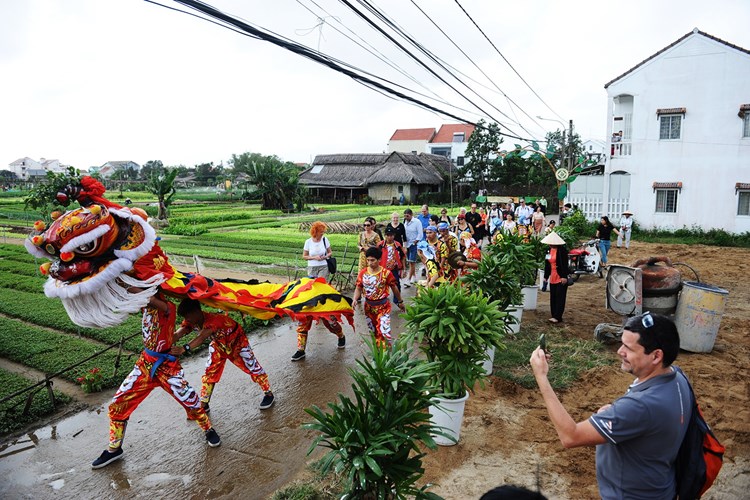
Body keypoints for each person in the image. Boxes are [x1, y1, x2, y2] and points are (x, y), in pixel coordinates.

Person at [530, 313, 692, 499]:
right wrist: (614, 414)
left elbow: (570, 436)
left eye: (629, 348)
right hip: (660, 489)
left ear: (656, 356)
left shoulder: (641, 406)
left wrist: (541, 377)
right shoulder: (677, 377)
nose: (619, 351)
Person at [92, 291, 220, 469]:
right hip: (145, 364)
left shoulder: (167, 307)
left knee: (191, 401)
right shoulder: (145, 306)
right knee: (118, 403)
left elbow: (150, 298)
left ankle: (208, 430)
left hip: (166, 366)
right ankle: (114, 449)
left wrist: (138, 285)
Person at [172, 299, 275, 411]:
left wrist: (184, 348)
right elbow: (178, 334)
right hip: (218, 345)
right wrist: (163, 341)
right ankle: (204, 403)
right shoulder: (191, 322)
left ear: (196, 312)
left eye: (187, 316)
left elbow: (201, 337)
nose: (186, 320)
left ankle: (268, 394)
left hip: (237, 342)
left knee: (252, 365)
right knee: (210, 372)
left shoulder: (214, 321)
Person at [352, 247, 405, 348]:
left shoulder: (386, 273)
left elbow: (394, 288)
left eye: (373, 260)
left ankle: (386, 355)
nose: (370, 263)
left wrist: (400, 301)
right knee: (374, 333)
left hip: (383, 306)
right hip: (369, 307)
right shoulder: (363, 273)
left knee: (384, 332)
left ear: (379, 260)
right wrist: (355, 299)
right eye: (368, 260)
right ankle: (378, 354)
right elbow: (358, 287)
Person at [541, 231, 569, 323]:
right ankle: (553, 315)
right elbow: (547, 264)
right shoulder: (548, 251)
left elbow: (565, 265)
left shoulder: (562, 251)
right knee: (553, 296)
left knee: (560, 296)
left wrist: (564, 276)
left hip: (560, 276)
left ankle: (558, 316)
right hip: (553, 276)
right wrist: (546, 277)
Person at [377, 225, 405, 293]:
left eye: (391, 235)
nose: (389, 237)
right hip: (383, 269)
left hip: (394, 269)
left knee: (396, 284)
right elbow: (376, 257)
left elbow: (402, 256)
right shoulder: (380, 245)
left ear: (394, 235)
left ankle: (397, 300)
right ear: (385, 236)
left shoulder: (397, 245)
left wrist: (403, 269)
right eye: (388, 235)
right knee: (381, 285)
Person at [402, 208, 423, 287]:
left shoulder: (417, 222)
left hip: (414, 244)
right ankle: (414, 276)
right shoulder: (405, 222)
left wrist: (416, 241)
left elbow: (420, 233)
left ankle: (408, 279)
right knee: (410, 262)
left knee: (412, 262)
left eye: (407, 216)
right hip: (407, 244)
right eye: (405, 216)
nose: (406, 218)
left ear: (411, 215)